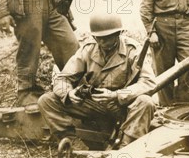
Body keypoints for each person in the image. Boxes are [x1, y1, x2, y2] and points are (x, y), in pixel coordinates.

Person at [38, 13, 156, 148]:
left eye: (107, 38)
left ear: (118, 34)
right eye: (98, 38)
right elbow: (63, 78)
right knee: (47, 100)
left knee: (146, 102)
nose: (102, 43)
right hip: (94, 104)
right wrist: (69, 93)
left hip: (121, 105)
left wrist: (116, 95)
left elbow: (148, 82)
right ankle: (73, 145)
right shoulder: (88, 49)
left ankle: (126, 148)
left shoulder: (133, 50)